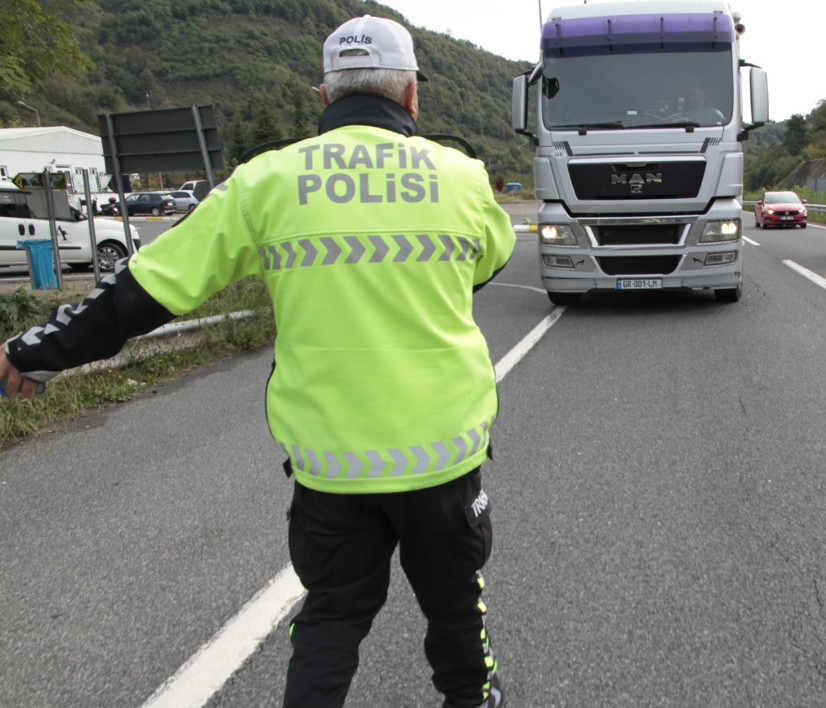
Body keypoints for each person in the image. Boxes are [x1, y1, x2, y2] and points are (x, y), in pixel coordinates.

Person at [0, 14, 513, 708]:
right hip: (444, 459)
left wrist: (35, 352)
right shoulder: (463, 176)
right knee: (456, 618)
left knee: (331, 621)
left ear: (323, 97)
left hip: (334, 464)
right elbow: (488, 262)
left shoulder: (266, 181)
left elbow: (146, 286)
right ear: (412, 95)